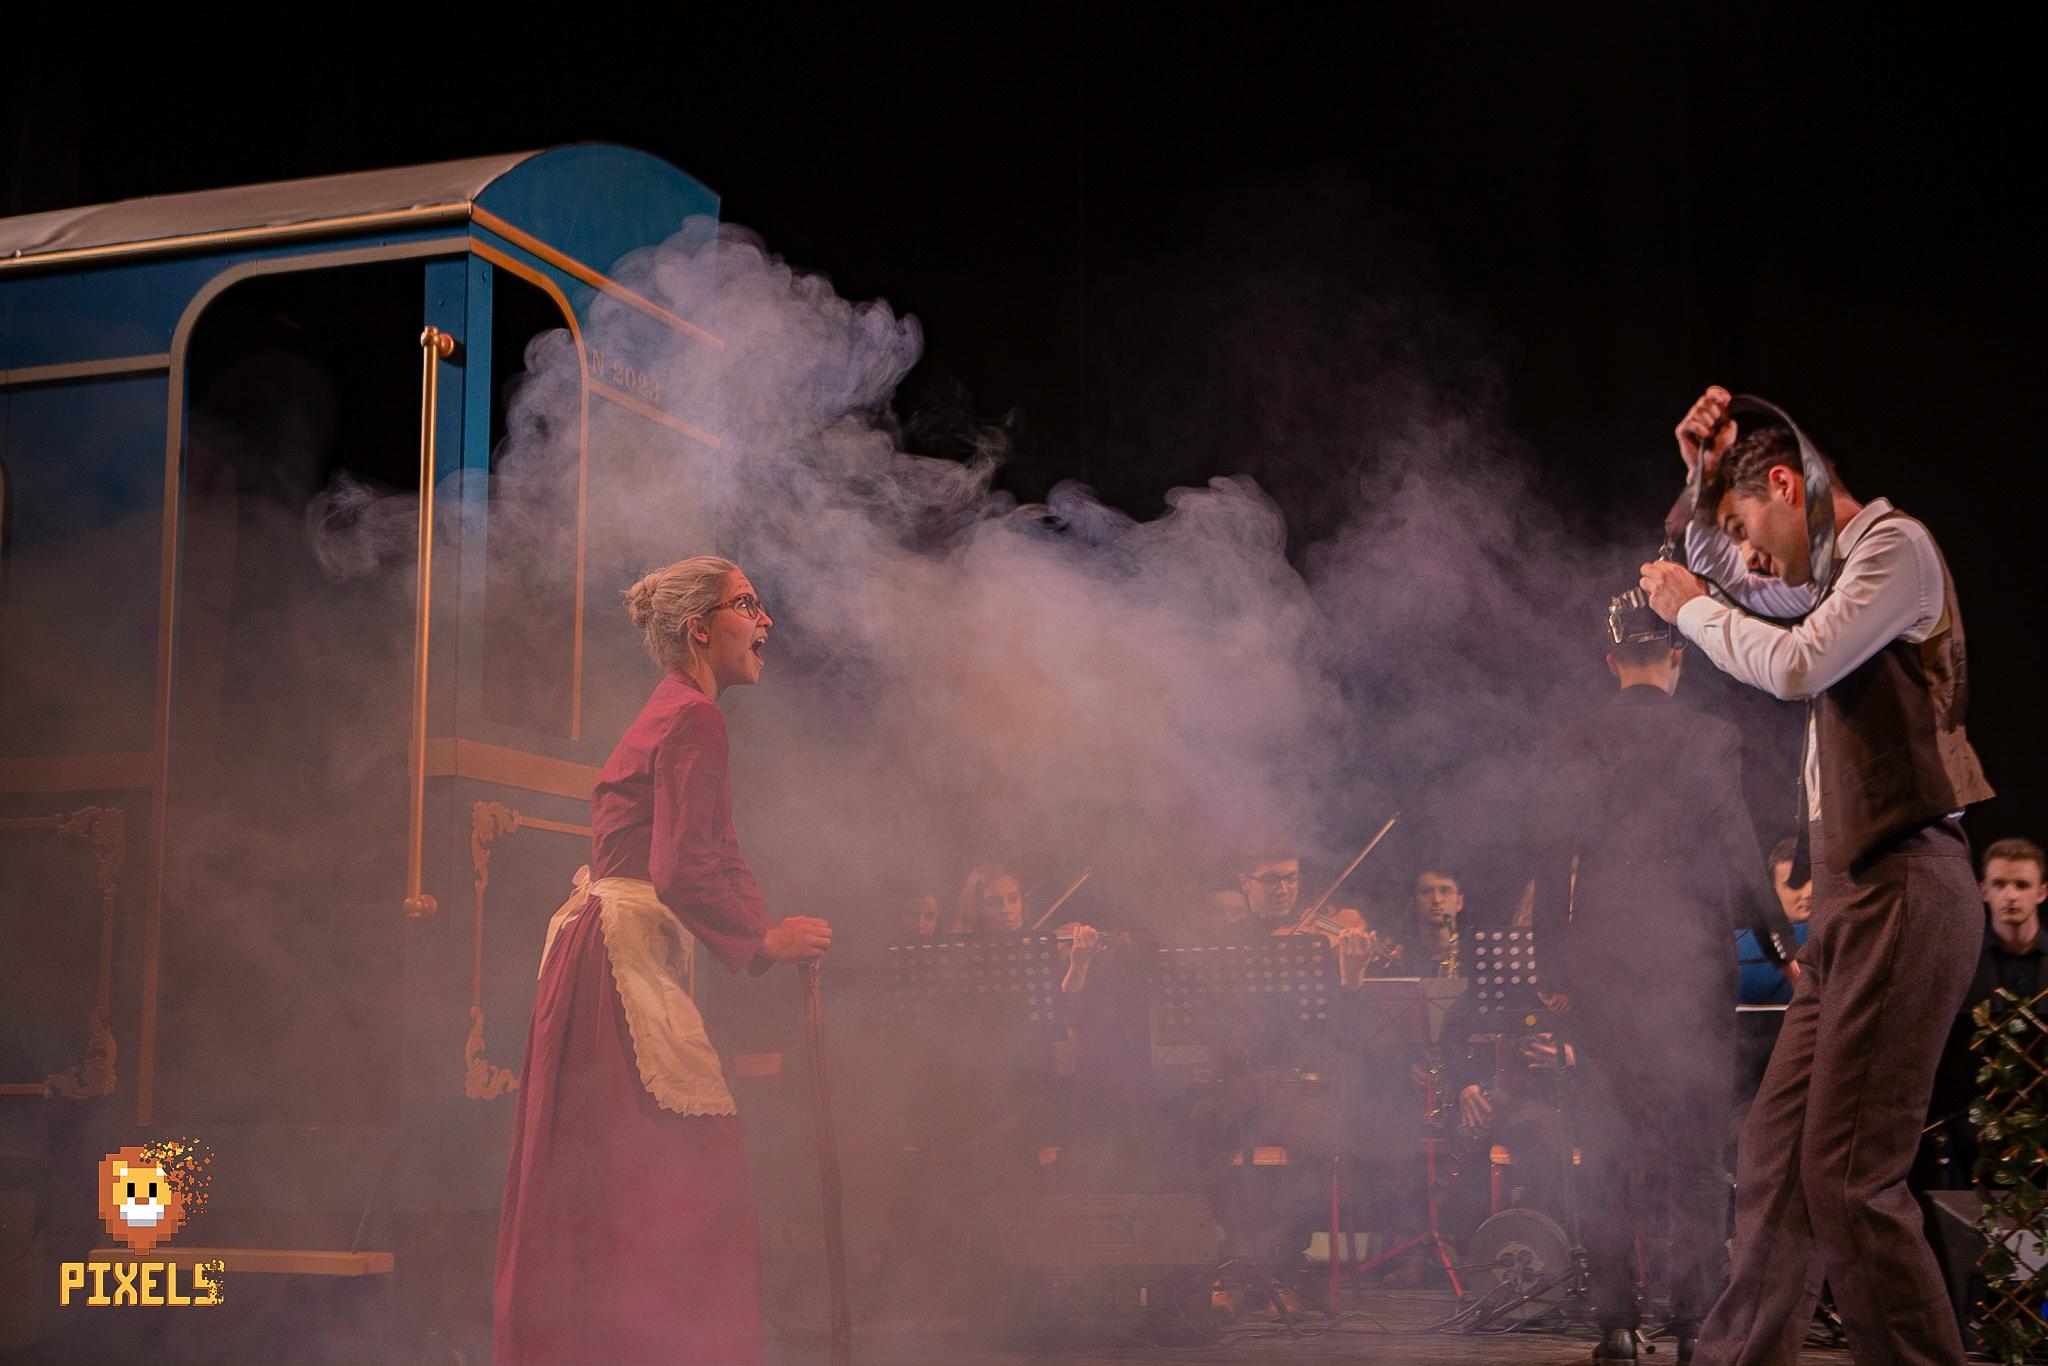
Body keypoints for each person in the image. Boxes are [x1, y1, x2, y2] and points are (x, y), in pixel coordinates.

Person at [1640, 387, 1994, 1366]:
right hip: (1849, 903)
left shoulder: (1894, 550)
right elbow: (1736, 583)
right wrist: (1698, 480)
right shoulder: (1829, 584)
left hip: (1903, 885)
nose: (1745, 558)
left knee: (1846, 1176)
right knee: (1775, 1158)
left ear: (1788, 486)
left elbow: (1792, 662)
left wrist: (1693, 608)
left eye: (1745, 526)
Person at [493, 556, 831, 1366]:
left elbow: (718, 853)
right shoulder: (693, 719)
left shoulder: (680, 712)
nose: (765, 621)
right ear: (699, 629)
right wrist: (763, 943)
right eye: (748, 605)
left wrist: (765, 933)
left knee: (622, 1184)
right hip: (620, 963)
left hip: (608, 957)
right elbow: (681, 868)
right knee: (680, 1187)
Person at [1535, 590, 1794, 1365]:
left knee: (1607, 1147)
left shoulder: (1575, 739)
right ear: (1678, 659)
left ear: (1611, 661)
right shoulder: (1710, 737)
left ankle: (1616, 1325)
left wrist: (1552, 964)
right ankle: (1694, 1325)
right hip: (1691, 966)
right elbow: (1739, 849)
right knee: (1693, 1153)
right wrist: (1780, 941)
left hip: (1604, 968)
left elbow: (1551, 860)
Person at [1920, 838, 2048, 1189]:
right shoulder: (1960, 962)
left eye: (2021, 885)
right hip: (1975, 1125)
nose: (2010, 895)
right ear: (1982, 890)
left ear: (2041, 892)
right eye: (2000, 884)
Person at [1736, 837, 1813, 1006]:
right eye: (1794, 884)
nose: (1808, 892)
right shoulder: (1738, 947)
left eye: (1812, 879)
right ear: (1771, 892)